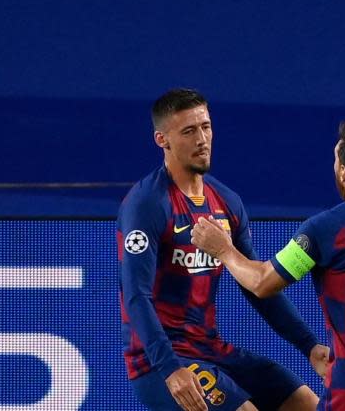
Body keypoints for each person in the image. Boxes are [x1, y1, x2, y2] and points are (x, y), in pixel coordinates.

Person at [192, 120, 345, 411]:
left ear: (344, 171)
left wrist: (223, 249)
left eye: (337, 159)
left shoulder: (328, 227)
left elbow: (262, 282)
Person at [117, 88, 329, 411]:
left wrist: (309, 346)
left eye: (206, 126)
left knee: (307, 404)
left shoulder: (226, 202)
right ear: (162, 140)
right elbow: (136, 296)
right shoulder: (147, 204)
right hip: (159, 363)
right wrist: (171, 368)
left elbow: (257, 287)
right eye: (188, 131)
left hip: (211, 350)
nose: (202, 139)